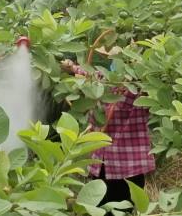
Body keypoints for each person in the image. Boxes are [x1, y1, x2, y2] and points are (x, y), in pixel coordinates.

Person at [61, 50, 155, 205]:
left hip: (128, 168)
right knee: (102, 208)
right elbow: (83, 73)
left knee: (119, 208)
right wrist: (71, 67)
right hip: (103, 165)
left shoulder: (140, 88)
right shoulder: (102, 81)